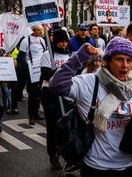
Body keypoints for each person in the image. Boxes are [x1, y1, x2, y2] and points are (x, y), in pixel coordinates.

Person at [49, 37, 132, 176]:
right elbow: (57, 85)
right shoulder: (89, 82)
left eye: (129, 60)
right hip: (96, 165)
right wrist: (78, 58)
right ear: (108, 61)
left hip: (128, 164)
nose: (125, 65)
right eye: (119, 59)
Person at [40, 29, 71, 170]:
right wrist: (62, 71)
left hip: (67, 94)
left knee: (66, 127)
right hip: (50, 94)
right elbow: (46, 74)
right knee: (53, 127)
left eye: (65, 41)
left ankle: (67, 154)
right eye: (61, 42)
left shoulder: (69, 55)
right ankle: (53, 155)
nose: (63, 44)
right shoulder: (48, 55)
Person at [19, 25, 47, 125]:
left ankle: (36, 112)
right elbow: (21, 57)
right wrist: (28, 69)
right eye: (38, 30)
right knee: (33, 93)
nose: (40, 32)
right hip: (32, 70)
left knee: (39, 93)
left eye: (41, 30)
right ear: (33, 30)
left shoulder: (42, 40)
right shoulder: (26, 41)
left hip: (41, 69)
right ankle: (31, 115)